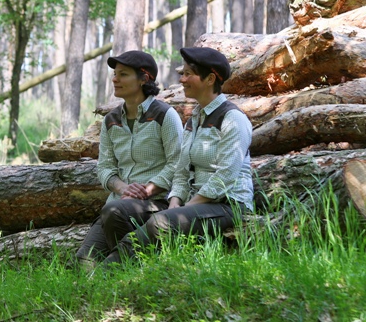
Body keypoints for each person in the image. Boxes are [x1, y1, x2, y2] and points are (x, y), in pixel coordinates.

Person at [102, 46, 254, 265]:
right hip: (197, 203)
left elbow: (225, 178)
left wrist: (186, 207)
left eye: (187, 74)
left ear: (210, 79)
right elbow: (181, 172)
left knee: (160, 222)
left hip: (228, 205)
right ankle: (138, 269)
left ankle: (109, 272)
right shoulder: (194, 120)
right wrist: (175, 203)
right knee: (120, 213)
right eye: (181, 74)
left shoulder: (233, 119)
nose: (181, 79)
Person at [75, 50, 183, 269]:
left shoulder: (165, 115)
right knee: (84, 263)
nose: (115, 79)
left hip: (157, 203)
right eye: (115, 73)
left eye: (123, 74)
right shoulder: (111, 120)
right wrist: (123, 188)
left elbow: (178, 163)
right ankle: (132, 266)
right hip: (120, 202)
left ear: (144, 78)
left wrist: (149, 189)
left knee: (113, 215)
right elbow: (104, 168)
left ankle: (136, 272)